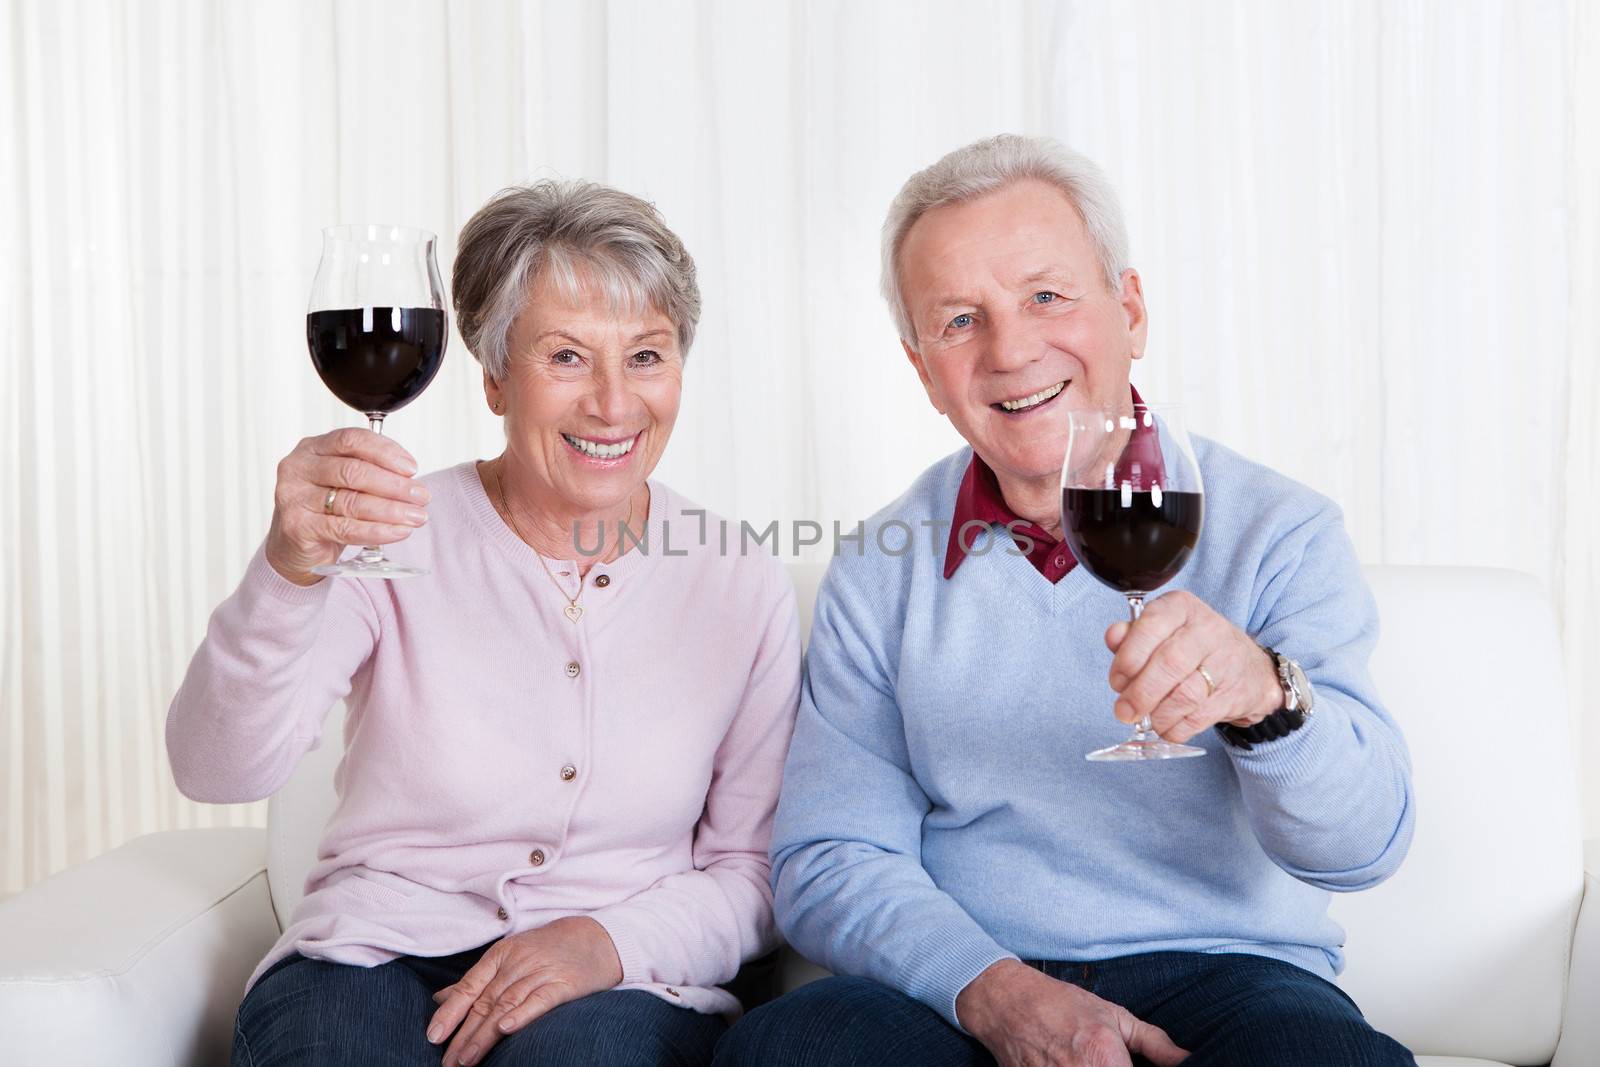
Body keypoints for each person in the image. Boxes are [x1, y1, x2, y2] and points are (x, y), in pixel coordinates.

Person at [715, 135, 1416, 1066]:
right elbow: (831, 857)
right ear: (922, 366)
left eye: (1047, 296)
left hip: (1229, 976)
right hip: (966, 987)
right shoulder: (882, 564)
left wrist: (1263, 699)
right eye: (960, 320)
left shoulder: (1279, 530)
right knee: (788, 1050)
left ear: (1129, 309)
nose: (1011, 350)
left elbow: (1363, 847)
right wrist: (996, 991)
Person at [167, 180, 801, 1067]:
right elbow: (216, 769)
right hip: (371, 951)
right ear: (495, 376)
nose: (614, 405)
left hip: (616, 978)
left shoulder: (738, 581)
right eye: (568, 357)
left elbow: (754, 869)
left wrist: (604, 941)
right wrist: (288, 569)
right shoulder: (387, 534)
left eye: (647, 357)